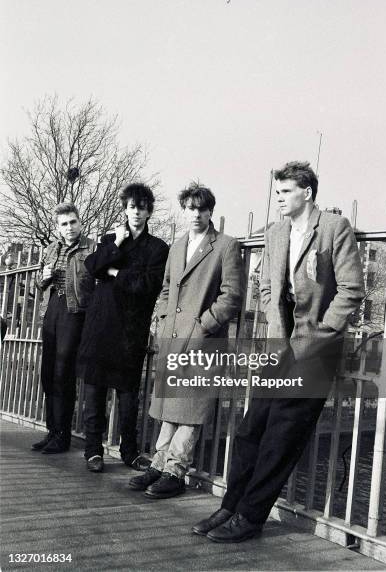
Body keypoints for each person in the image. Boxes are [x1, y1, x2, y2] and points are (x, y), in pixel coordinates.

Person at [192, 161, 365, 542]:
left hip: (316, 350)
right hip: (280, 345)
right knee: (251, 429)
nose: (279, 198)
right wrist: (276, 323)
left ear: (307, 192)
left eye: (286, 191)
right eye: (278, 192)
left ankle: (251, 517)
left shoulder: (335, 228)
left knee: (280, 439)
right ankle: (230, 505)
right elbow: (266, 285)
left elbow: (352, 288)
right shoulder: (275, 232)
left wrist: (321, 332)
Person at [129, 182, 245, 498]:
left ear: (211, 211)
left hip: (203, 341)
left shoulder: (225, 245)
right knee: (169, 405)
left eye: (202, 208)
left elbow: (232, 295)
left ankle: (175, 471)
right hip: (173, 336)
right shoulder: (178, 246)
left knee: (190, 407)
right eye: (191, 208)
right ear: (185, 211)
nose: (196, 214)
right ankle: (158, 463)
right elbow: (167, 288)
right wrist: (162, 319)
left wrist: (204, 325)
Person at [77, 183, 169, 473]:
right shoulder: (110, 238)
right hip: (101, 324)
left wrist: (115, 272)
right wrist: (115, 244)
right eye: (131, 207)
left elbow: (147, 286)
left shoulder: (157, 248)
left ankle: (130, 452)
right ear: (124, 209)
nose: (136, 213)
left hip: (130, 328)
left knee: (129, 395)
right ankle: (94, 451)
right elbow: (92, 267)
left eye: (141, 207)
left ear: (149, 211)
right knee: (95, 392)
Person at [32, 203, 96, 454]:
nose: (69, 228)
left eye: (72, 222)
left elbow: (95, 283)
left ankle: (63, 436)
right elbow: (39, 284)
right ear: (57, 227)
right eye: (63, 224)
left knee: (63, 373)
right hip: (51, 310)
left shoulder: (91, 248)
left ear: (80, 223)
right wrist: (44, 277)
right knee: (48, 373)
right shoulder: (50, 249)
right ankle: (52, 431)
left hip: (74, 312)